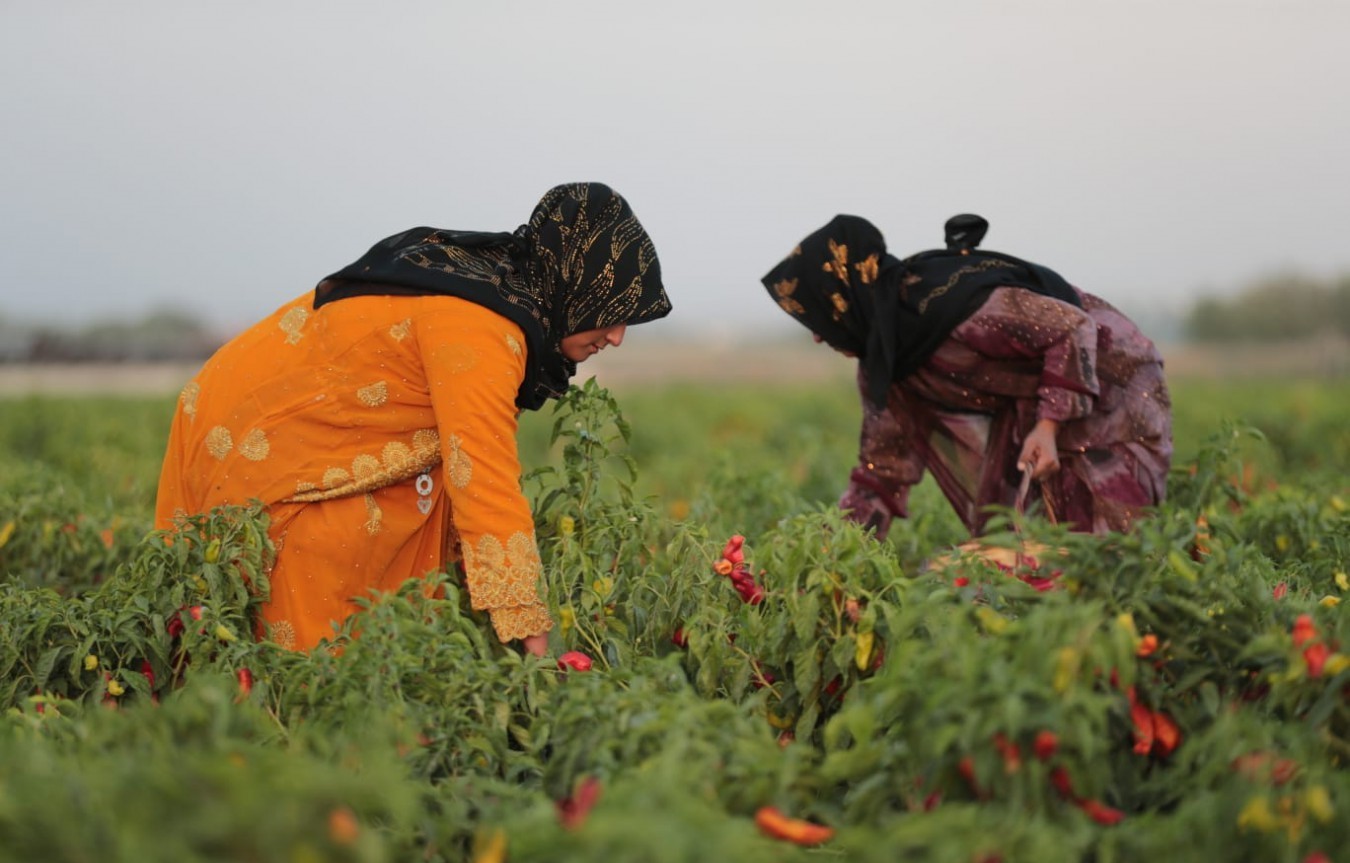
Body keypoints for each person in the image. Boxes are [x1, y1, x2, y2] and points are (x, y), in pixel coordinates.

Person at [156, 182, 671, 654]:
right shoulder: (483, 329)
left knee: (405, 571)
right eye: (612, 309)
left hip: (259, 421)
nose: (618, 335)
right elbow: (484, 477)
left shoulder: (494, 296)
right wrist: (530, 635)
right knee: (321, 668)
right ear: (572, 285)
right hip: (256, 442)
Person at [761, 213, 1171, 539]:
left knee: (1106, 537)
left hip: (1108, 378)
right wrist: (833, 555)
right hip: (1034, 399)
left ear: (845, 301)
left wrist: (1048, 427)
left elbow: (1072, 328)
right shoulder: (885, 366)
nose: (818, 335)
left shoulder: (955, 307)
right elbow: (882, 471)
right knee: (1007, 533)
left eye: (819, 317)